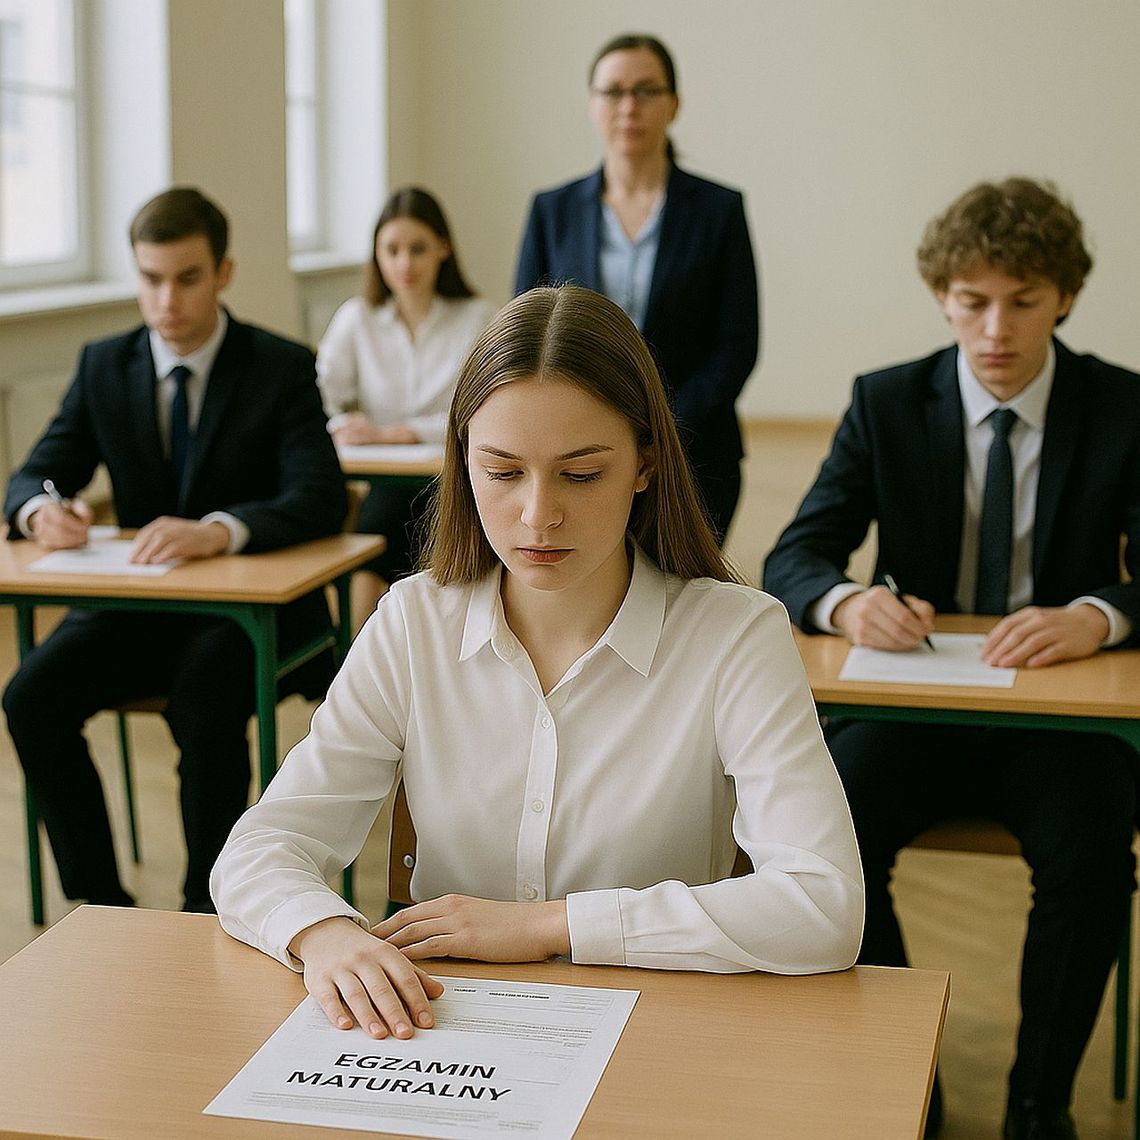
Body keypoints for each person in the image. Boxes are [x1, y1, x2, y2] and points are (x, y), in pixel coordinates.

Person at [212, 284, 862, 1042]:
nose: (538, 515)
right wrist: (321, 931)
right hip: (443, 1037)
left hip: (660, 1035)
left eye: (581, 475)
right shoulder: (414, 621)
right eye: (502, 471)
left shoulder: (737, 637)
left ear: (647, 464)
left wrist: (552, 926)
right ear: (463, 461)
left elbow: (824, 906)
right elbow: (261, 848)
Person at [763, 178, 1140, 1140]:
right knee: (825, 827)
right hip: (910, 709)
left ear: (1064, 296)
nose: (997, 328)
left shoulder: (1122, 407)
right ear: (943, 296)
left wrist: (1099, 617)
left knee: (1094, 855)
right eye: (974, 301)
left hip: (1061, 725)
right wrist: (850, 602)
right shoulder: (887, 402)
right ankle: (908, 1083)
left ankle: (1037, 1104)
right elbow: (797, 553)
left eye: (1022, 299)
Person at [3, 186, 347, 914]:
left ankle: (208, 907)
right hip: (137, 610)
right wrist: (40, 512)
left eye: (186, 278)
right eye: (150, 278)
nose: (167, 300)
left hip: (250, 615)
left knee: (205, 700)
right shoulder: (105, 364)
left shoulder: (279, 365)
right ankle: (100, 906)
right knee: (29, 695)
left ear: (223, 272)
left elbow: (318, 493)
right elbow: (36, 468)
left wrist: (221, 528)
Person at [514, 33, 759, 544]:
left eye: (646, 91)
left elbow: (736, 344)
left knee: (683, 606)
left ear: (673, 104)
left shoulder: (719, 210)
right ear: (592, 104)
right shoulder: (552, 211)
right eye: (614, 91)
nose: (629, 107)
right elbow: (525, 336)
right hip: (572, 452)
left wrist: (661, 427)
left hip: (696, 451)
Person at [317, 187, 495, 626]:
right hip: (386, 481)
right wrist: (345, 423)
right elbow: (317, 393)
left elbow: (485, 409)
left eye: (417, 249)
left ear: (443, 247)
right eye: (391, 250)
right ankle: (352, 674)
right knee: (369, 549)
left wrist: (398, 433)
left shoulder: (479, 317)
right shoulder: (357, 317)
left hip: (453, 476)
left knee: (431, 536)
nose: (404, 264)